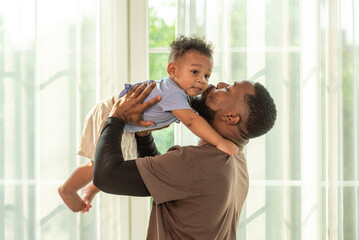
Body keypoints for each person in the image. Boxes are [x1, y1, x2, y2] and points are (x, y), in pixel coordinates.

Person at [58, 35, 239, 212]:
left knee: (121, 163)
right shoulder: (173, 92)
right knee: (97, 165)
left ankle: (90, 190)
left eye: (207, 75)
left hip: (127, 125)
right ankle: (67, 190)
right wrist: (220, 142)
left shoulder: (182, 95)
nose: (202, 80)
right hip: (111, 112)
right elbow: (192, 121)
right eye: (195, 72)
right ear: (172, 71)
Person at [93, 79, 277, 239]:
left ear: (230, 117)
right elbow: (165, 181)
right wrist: (143, 135)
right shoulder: (237, 163)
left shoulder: (196, 162)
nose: (219, 84)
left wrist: (115, 118)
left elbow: (107, 177)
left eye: (228, 89)